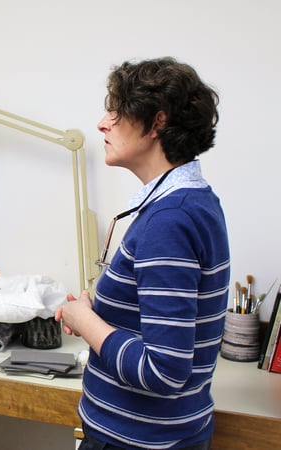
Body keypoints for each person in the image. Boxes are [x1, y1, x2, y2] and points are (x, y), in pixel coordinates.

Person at [55, 57, 229, 450]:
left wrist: (87, 323)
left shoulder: (169, 220)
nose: (102, 123)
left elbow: (163, 371)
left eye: (117, 112)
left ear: (157, 122)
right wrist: (94, 314)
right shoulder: (191, 202)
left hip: (138, 442)